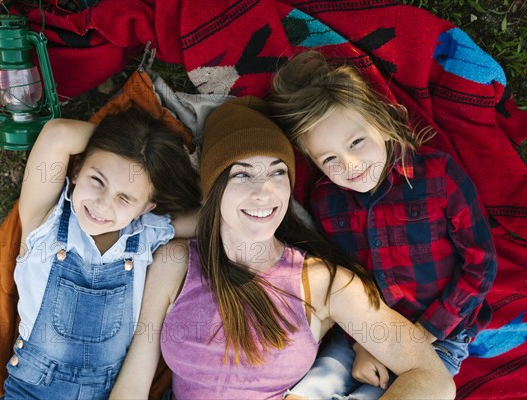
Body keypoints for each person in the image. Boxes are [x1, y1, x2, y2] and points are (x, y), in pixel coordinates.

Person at [109, 96, 455, 400]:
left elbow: (432, 379)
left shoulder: (322, 283)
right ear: (214, 188)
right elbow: (134, 383)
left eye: (277, 174)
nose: (264, 192)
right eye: (242, 175)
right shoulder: (176, 262)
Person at [269, 50, 497, 398]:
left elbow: (480, 266)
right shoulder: (325, 200)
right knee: (309, 390)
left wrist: (419, 336)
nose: (349, 164)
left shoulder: (438, 176)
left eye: (356, 142)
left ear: (383, 123)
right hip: (364, 332)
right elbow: (343, 278)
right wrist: (362, 343)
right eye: (329, 158)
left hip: (438, 336)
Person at [2, 107, 201, 399]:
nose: (103, 205)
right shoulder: (44, 221)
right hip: (32, 392)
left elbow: (217, 213)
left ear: (146, 207)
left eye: (125, 198)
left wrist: (160, 160)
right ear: (78, 169)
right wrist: (128, 144)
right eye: (97, 180)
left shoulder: (147, 235)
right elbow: (59, 134)